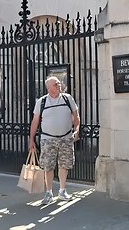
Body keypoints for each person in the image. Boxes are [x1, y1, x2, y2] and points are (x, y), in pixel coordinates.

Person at [29, 76, 80, 205]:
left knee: (64, 164)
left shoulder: (68, 99)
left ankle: (62, 191)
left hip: (66, 137)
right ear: (49, 87)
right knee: (48, 166)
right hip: (48, 139)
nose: (59, 85)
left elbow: (76, 116)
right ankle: (49, 193)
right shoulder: (42, 102)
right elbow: (35, 122)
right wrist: (31, 140)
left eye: (59, 83)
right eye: (56, 84)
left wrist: (77, 129)